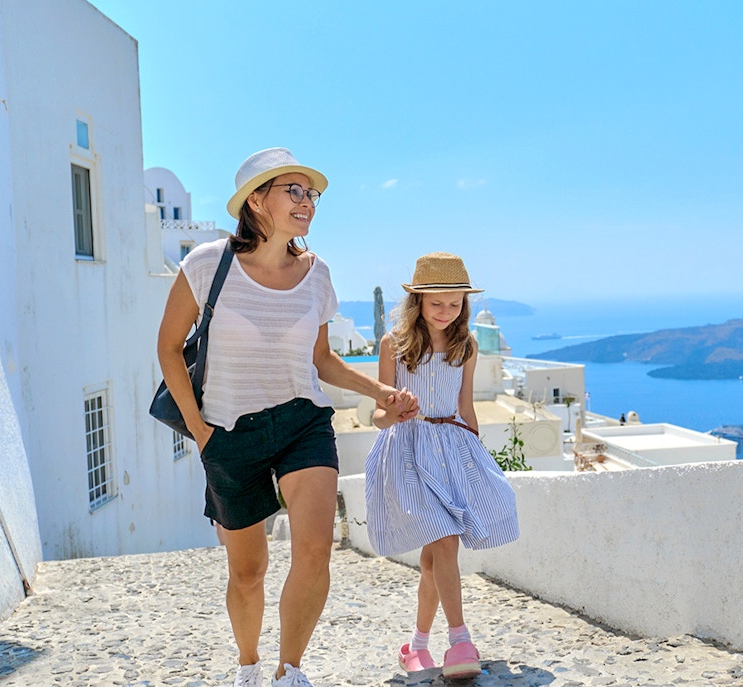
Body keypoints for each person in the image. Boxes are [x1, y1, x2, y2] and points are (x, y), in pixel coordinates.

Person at [157, 148, 418, 687]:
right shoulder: (207, 265)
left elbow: (321, 360)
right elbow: (167, 349)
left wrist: (382, 390)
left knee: (316, 548)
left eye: (311, 193)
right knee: (248, 572)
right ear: (257, 200)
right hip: (229, 434)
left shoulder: (317, 274)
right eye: (292, 191)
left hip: (303, 421)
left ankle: (289, 670)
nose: (306, 202)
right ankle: (249, 665)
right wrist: (202, 433)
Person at [364, 252, 520, 679]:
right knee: (445, 539)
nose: (445, 312)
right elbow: (376, 416)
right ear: (418, 301)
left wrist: (479, 462)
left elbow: (465, 407)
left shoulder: (465, 346)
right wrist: (396, 410)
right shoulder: (392, 345)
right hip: (407, 452)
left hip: (452, 450)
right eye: (437, 303)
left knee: (435, 558)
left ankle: (415, 646)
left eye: (454, 304)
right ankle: (460, 641)